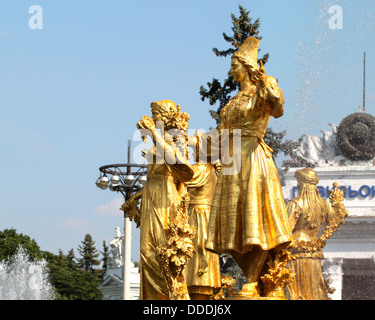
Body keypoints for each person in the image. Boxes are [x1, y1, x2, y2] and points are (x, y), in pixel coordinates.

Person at [205, 37, 293, 298]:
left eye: (234, 65)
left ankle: (253, 280)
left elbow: (277, 109)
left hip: (254, 157)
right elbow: (220, 134)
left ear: (246, 66)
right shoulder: (232, 102)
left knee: (257, 222)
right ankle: (251, 275)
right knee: (230, 225)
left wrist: (267, 82)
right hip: (232, 162)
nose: (231, 70)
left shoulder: (261, 91)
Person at [134, 100, 194, 300]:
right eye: (152, 115)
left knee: (162, 252)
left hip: (166, 198)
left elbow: (179, 163)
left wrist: (154, 135)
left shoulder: (175, 138)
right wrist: (135, 197)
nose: (153, 119)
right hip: (151, 195)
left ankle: (168, 299)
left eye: (156, 115)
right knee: (146, 250)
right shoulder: (158, 139)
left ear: (166, 117)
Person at [284, 168, 346, 300]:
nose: (297, 185)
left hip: (295, 253)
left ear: (303, 184)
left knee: (295, 289)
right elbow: (335, 220)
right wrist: (323, 238)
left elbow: (285, 230)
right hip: (314, 252)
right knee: (314, 289)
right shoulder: (323, 204)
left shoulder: (295, 204)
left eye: (299, 182)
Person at [185, 161, 221, 300]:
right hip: (205, 218)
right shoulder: (211, 170)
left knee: (196, 267)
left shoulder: (200, 168)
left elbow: (179, 180)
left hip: (197, 219)